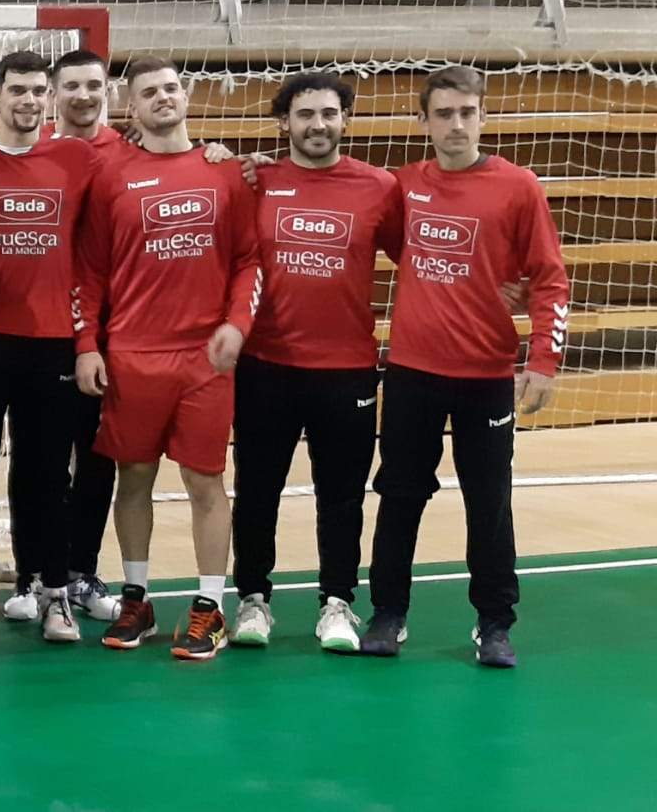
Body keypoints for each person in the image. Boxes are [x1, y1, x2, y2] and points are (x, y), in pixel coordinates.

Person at [364, 65, 569, 668]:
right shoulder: (402, 186)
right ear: (423, 121)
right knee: (400, 494)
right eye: (444, 114)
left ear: (483, 116)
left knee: (489, 502)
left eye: (467, 113)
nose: (457, 124)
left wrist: (544, 360)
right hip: (412, 374)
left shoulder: (518, 187)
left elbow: (550, 279)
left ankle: (495, 622)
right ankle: (388, 612)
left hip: (486, 377)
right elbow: (387, 241)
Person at [72, 57, 260, 662]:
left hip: (205, 358)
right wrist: (87, 344)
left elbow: (248, 261)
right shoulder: (110, 176)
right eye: (149, 91)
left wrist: (237, 324)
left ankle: (209, 606)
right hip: (133, 355)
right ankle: (137, 598)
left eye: (172, 88)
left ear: (186, 96)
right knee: (133, 478)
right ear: (131, 107)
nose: (163, 97)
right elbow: (90, 272)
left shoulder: (225, 170)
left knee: (206, 481)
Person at [228, 72, 398, 653]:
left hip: (346, 370)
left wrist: (498, 288)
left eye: (329, 113)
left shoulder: (380, 188)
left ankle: (338, 603)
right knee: (257, 491)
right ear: (284, 122)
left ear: (345, 119)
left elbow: (419, 257)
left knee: (342, 496)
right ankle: (253, 599)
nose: (318, 124)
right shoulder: (257, 181)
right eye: (305, 114)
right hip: (265, 366)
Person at [0, 53, 103, 644]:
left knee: (46, 474)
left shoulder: (77, 159)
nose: (29, 100)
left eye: (38, 91)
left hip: (52, 342)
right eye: (17, 90)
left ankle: (54, 593)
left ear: (49, 97)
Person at [47, 48, 131, 622]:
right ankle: (38, 571)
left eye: (93, 85)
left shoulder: (128, 154)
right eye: (72, 85)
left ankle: (82, 570)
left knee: (98, 457)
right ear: (55, 93)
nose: (83, 95)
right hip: (44, 329)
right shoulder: (34, 151)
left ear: (108, 91)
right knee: (43, 461)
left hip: (108, 330)